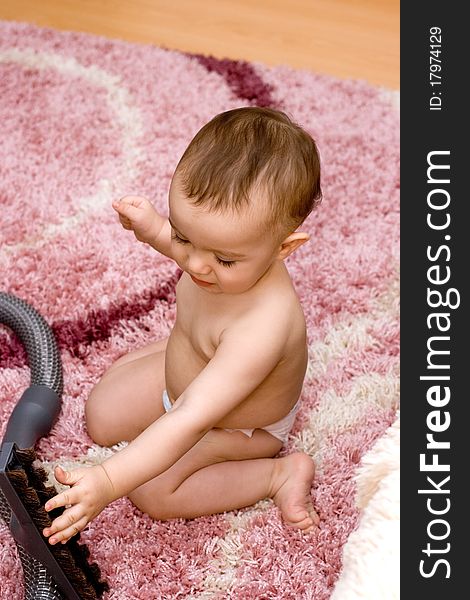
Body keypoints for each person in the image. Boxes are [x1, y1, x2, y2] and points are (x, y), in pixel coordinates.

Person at [43, 106, 322, 545]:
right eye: (184, 236)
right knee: (101, 416)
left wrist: (109, 481)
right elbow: (201, 251)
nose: (194, 264)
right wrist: (155, 229)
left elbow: (192, 416)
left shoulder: (263, 325)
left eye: (224, 259)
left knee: (151, 489)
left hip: (234, 425)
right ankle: (177, 355)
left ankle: (278, 474)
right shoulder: (213, 255)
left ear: (284, 248)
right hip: (191, 370)